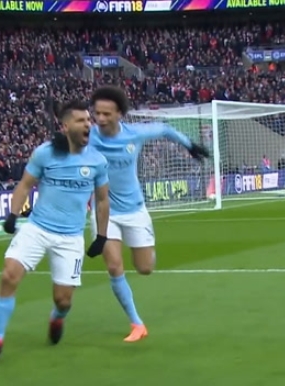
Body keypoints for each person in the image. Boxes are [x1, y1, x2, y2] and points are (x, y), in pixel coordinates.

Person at [0, 99, 111, 358]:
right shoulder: (45, 153)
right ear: (66, 126)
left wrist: (102, 236)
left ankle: (57, 317)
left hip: (70, 237)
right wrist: (13, 214)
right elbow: (25, 184)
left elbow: (103, 199)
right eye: (81, 120)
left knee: (63, 300)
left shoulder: (97, 160)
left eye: (89, 120)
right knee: (9, 275)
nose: (88, 125)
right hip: (37, 228)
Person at [87, 86, 210, 342]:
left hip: (134, 210)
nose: (100, 118)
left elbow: (164, 128)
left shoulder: (135, 134)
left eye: (107, 114)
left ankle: (148, 249)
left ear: (119, 114)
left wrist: (189, 145)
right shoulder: (88, 137)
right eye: (97, 113)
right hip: (105, 211)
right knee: (114, 265)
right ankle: (137, 323)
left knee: (144, 268)